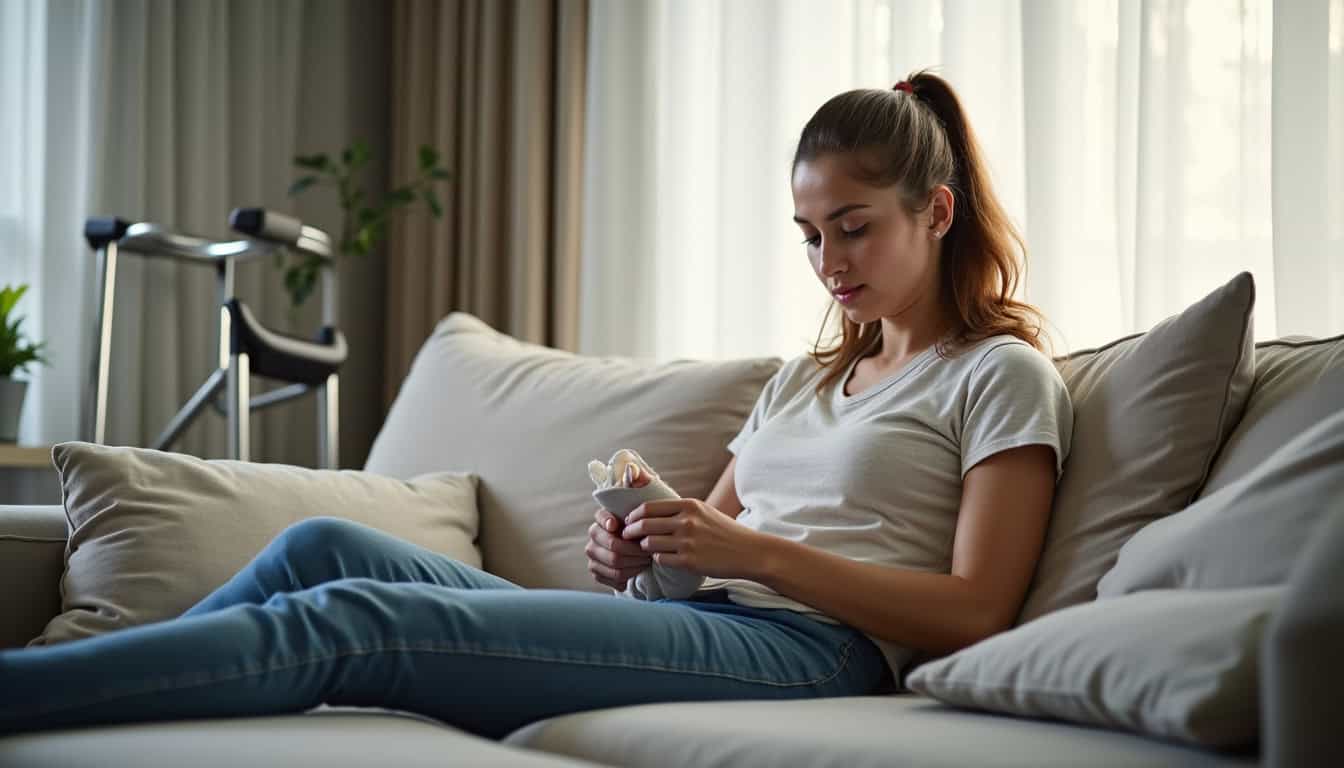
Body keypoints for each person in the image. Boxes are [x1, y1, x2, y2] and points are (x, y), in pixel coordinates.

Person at [0, 71, 1072, 738]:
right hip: (716, 619)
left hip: (819, 656)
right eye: (808, 233)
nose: (827, 260)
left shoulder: (998, 376)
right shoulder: (806, 378)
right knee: (325, 545)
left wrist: (750, 558)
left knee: (359, 623)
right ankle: (85, 695)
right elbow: (715, 542)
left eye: (854, 226)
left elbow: (975, 608)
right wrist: (646, 555)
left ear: (935, 212)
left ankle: (28, 695)